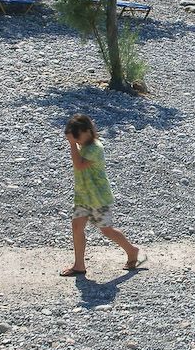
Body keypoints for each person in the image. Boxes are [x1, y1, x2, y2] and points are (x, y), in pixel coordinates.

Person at [60, 114, 145, 276]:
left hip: (98, 198)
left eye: (78, 136)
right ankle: (79, 265)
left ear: (88, 131)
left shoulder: (96, 148)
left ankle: (132, 251)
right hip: (83, 196)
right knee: (77, 227)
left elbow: (79, 165)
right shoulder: (83, 146)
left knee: (106, 230)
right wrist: (74, 143)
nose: (76, 140)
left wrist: (72, 145)